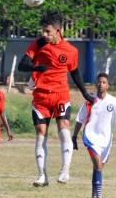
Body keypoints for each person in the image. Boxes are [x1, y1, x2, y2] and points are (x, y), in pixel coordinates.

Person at [17, 11, 95, 186]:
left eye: (48, 32)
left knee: (64, 129)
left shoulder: (71, 51)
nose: (44, 35)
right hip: (41, 97)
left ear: (58, 31)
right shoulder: (37, 45)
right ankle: (42, 175)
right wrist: (37, 68)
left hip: (61, 96)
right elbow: (22, 65)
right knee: (40, 134)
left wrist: (85, 94)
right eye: (43, 31)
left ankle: (65, 170)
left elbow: (75, 73)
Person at [72, 73, 116, 198]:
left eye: (103, 82)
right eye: (99, 82)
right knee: (98, 165)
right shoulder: (90, 101)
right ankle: (100, 197)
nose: (101, 84)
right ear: (96, 84)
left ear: (108, 85)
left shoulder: (114, 101)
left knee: (98, 168)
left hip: (106, 140)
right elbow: (80, 119)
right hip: (90, 137)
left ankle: (93, 197)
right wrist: (74, 136)